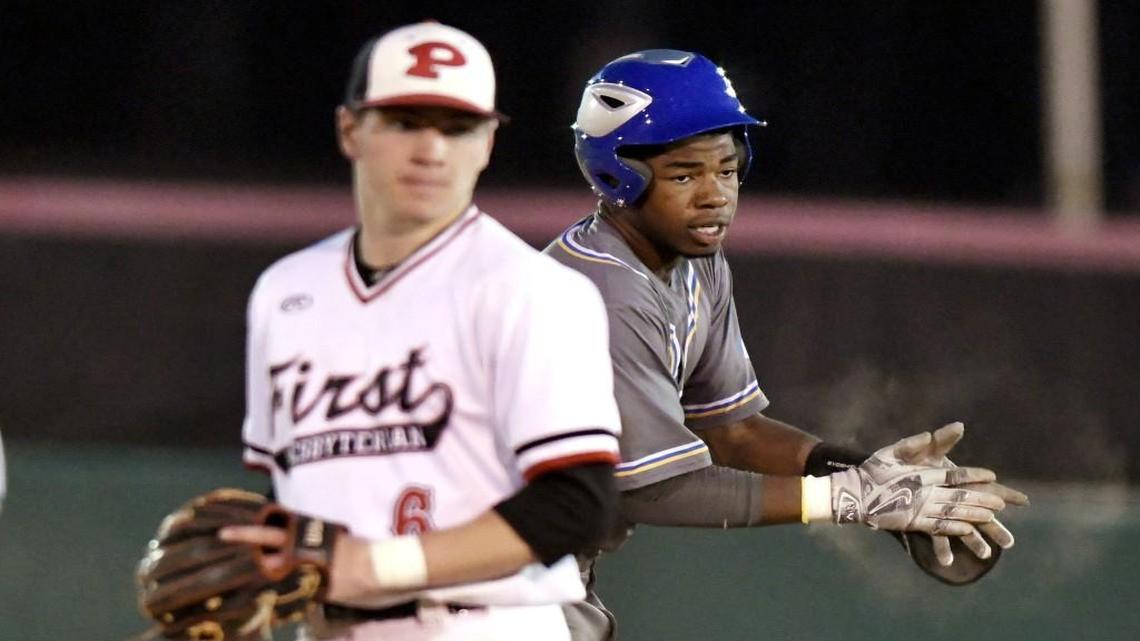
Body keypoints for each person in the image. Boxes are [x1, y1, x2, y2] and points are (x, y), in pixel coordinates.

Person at [543, 49, 1029, 640]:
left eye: (726, 169)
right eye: (683, 174)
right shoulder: (601, 289)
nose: (715, 193)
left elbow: (732, 431)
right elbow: (657, 489)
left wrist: (864, 474)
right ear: (619, 175)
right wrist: (846, 499)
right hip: (480, 582)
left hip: (538, 580)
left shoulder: (694, 263)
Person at [220, 22, 623, 641]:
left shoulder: (532, 290)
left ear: (488, 142)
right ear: (350, 130)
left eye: (457, 128)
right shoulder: (286, 291)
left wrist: (375, 566)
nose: (432, 150)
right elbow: (296, 493)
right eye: (406, 122)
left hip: (481, 624)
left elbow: (576, 506)